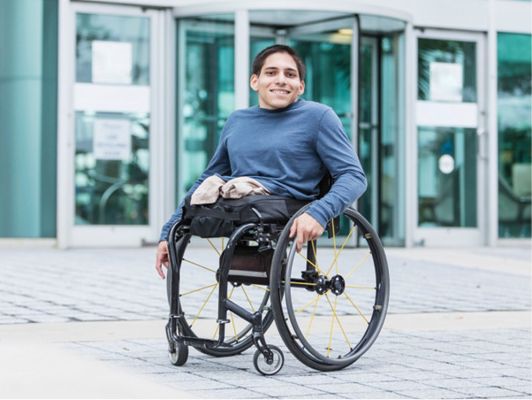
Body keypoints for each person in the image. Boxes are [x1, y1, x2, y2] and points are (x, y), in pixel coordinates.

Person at [155, 44, 367, 279]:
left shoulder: (318, 117)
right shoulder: (237, 120)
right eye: (271, 72)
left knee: (248, 209)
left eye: (290, 74)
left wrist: (320, 213)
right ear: (255, 82)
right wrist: (168, 233)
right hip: (242, 202)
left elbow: (354, 176)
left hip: (288, 203)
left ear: (300, 86)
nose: (281, 80)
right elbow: (209, 178)